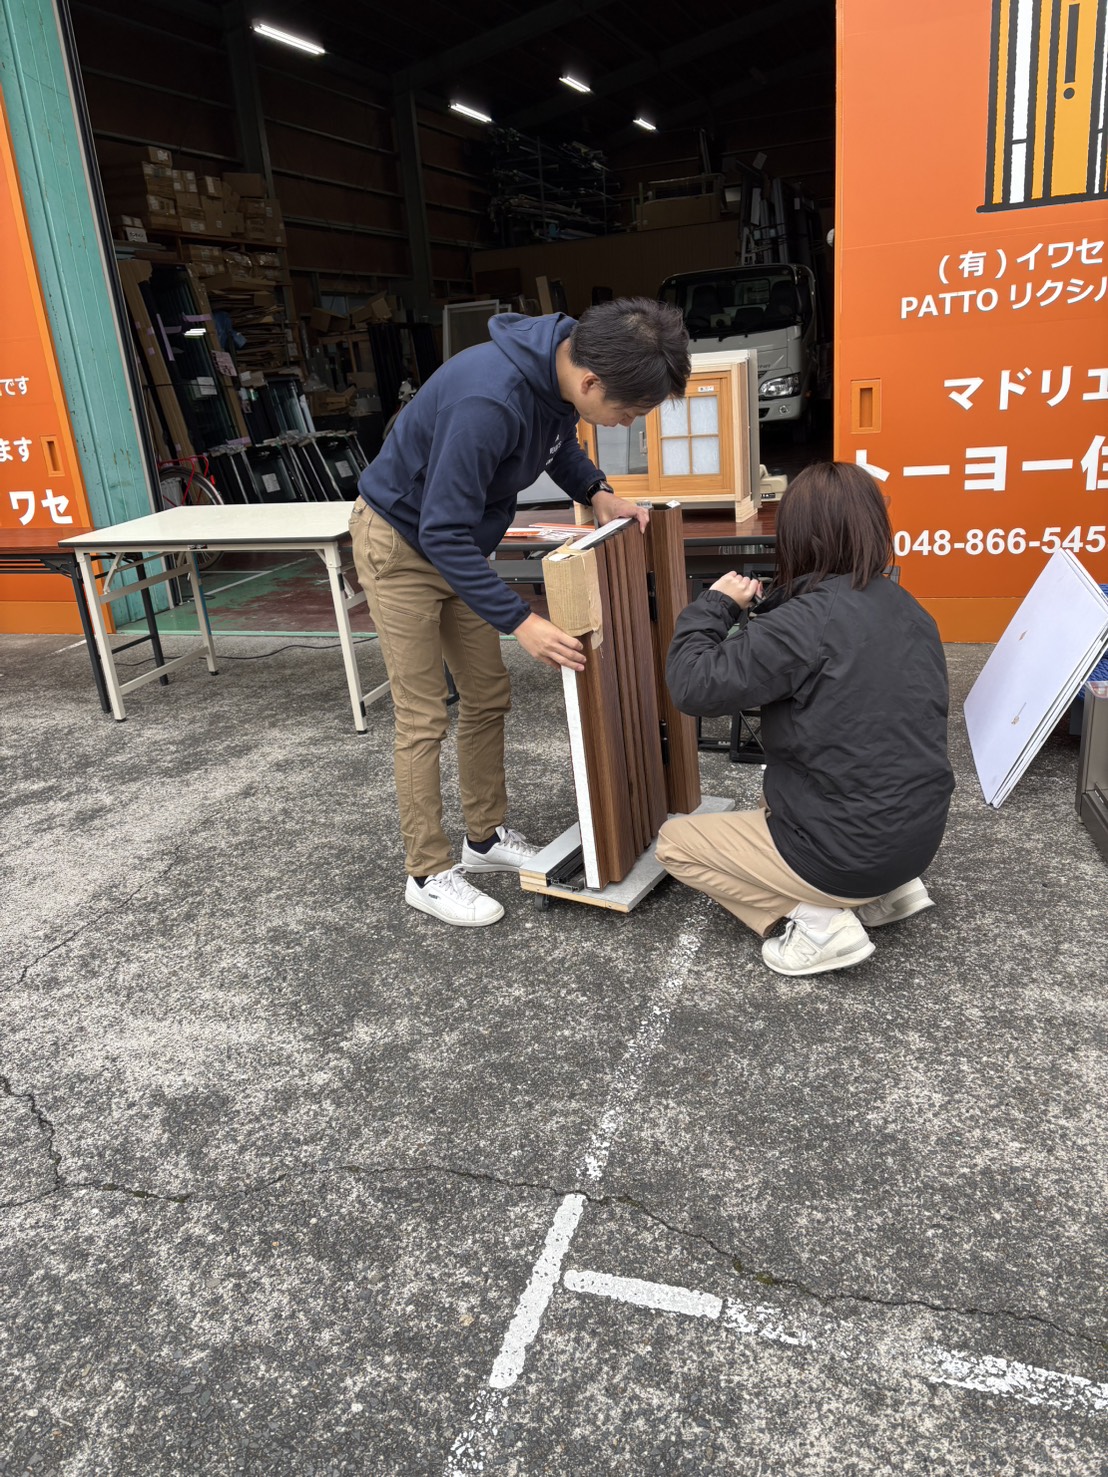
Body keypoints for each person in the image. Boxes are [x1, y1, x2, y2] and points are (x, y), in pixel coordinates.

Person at [351, 298, 691, 928]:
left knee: (487, 695)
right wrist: (522, 620)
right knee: (424, 714)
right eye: (628, 412)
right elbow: (441, 530)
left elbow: (557, 445)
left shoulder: (560, 373)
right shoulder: (490, 401)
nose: (623, 425)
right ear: (591, 382)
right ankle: (426, 873)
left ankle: (484, 841)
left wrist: (598, 490)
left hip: (455, 542)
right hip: (401, 544)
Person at [656, 461, 955, 977]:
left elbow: (693, 684)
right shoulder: (911, 610)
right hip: (919, 839)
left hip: (850, 852)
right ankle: (882, 896)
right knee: (779, 795)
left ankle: (818, 921)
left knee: (676, 845)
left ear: (797, 536)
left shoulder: (803, 622)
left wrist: (715, 606)